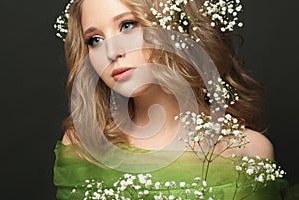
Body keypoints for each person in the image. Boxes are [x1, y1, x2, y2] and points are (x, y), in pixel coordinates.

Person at [53, 0, 290, 199]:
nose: (111, 52)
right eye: (95, 40)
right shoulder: (81, 147)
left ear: (173, 26)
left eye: (127, 25)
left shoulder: (248, 151)